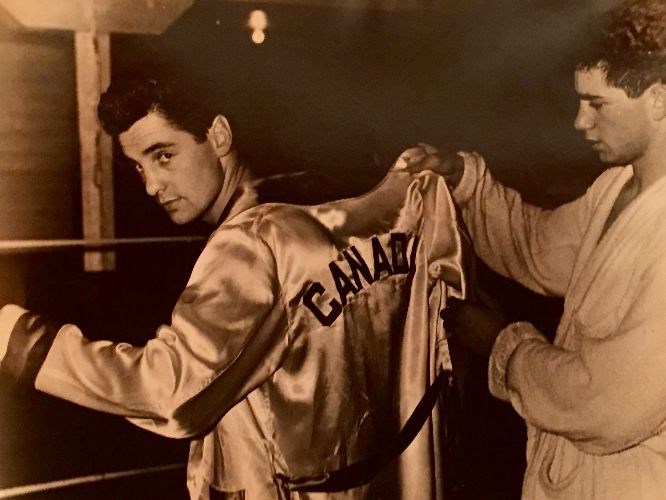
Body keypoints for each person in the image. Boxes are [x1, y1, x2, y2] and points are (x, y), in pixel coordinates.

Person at [0, 73, 468, 499]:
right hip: (390, 477)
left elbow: (171, 393)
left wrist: (19, 339)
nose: (151, 186)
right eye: (139, 168)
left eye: (164, 156)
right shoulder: (351, 208)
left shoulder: (247, 246)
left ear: (219, 135)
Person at [416, 0, 666, 497]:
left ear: (659, 99)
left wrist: (502, 345)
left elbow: (603, 403)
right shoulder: (616, 187)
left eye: (597, 104)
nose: (579, 122)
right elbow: (538, 247)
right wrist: (466, 182)